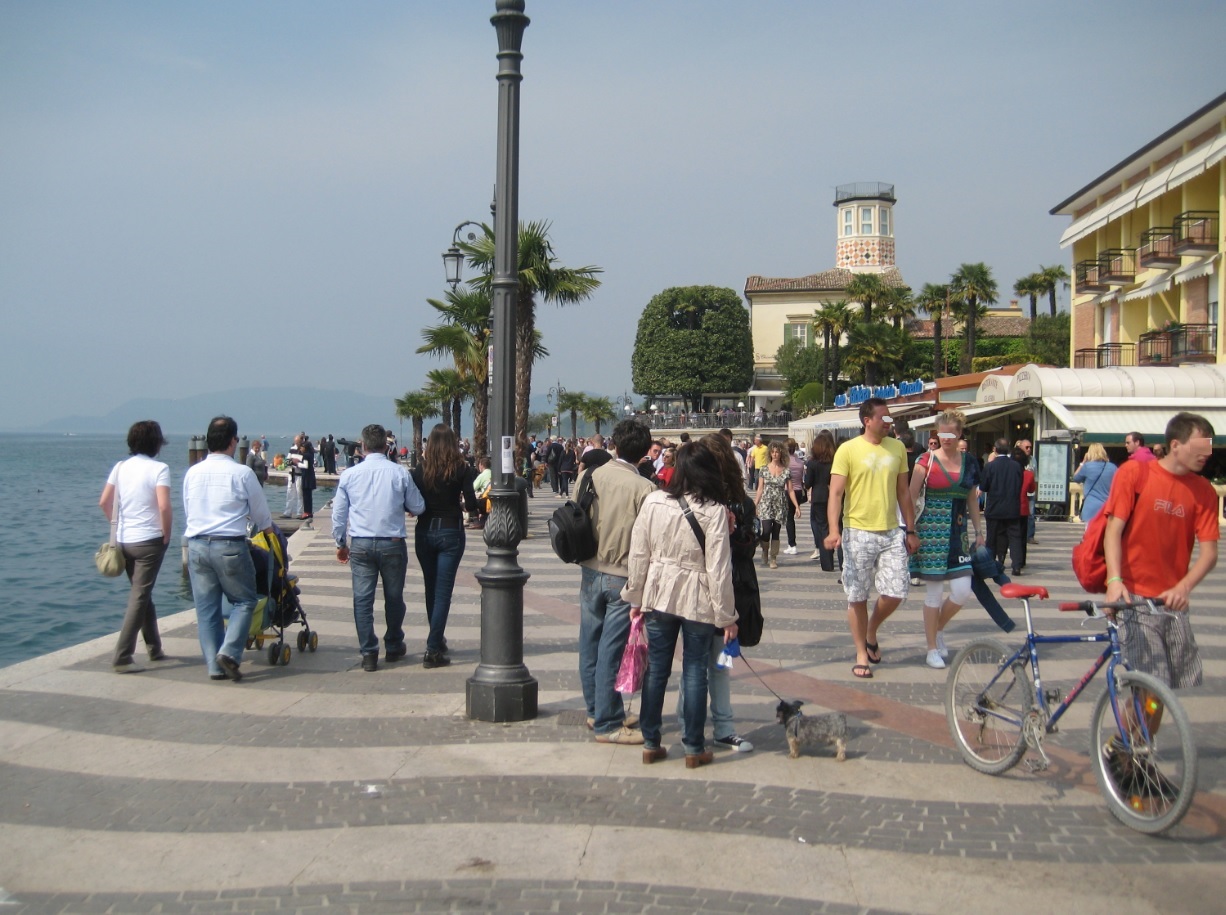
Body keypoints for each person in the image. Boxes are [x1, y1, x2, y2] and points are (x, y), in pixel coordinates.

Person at [624, 439, 739, 768]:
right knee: (694, 671)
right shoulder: (715, 510)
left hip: (659, 593)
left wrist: (636, 596)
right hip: (698, 598)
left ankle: (651, 741)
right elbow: (719, 568)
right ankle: (692, 746)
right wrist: (727, 616)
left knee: (657, 669)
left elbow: (639, 552)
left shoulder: (654, 501)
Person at [1104, 413, 1218, 744]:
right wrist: (1114, 580)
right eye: (1201, 445)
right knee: (1150, 685)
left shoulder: (1203, 492)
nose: (1207, 453)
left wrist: (1184, 587)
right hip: (1134, 597)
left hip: (1171, 602)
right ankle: (1121, 750)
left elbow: (1209, 553)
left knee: (1162, 689)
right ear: (1175, 445)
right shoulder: (1135, 473)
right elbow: (1114, 531)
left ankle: (1137, 757)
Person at [674, 432, 758, 753]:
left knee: (709, 663)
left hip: (722, 590)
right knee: (707, 664)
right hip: (708, 591)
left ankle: (704, 726)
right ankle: (711, 726)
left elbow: (746, 548)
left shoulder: (738, 504)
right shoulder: (691, 502)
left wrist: (734, 532)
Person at [577, 418, 656, 745]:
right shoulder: (644, 489)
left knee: (590, 643)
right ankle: (608, 723)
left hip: (589, 568)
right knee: (612, 649)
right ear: (642, 454)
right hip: (621, 576)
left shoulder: (588, 475)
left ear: (615, 444)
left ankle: (597, 708)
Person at [824, 398, 917, 679]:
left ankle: (871, 629)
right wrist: (833, 530)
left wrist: (911, 529)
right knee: (857, 595)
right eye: (883, 418)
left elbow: (903, 492)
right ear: (867, 420)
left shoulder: (897, 447)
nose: (888, 423)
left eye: (889, 418)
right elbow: (836, 493)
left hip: (891, 531)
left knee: (896, 591)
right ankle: (861, 653)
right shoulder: (848, 450)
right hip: (858, 530)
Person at [182, 416, 275, 682]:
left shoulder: (193, 473)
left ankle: (214, 666)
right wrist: (270, 534)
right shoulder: (242, 473)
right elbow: (261, 516)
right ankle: (230, 652)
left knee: (206, 609)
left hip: (198, 544)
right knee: (245, 601)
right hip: (230, 546)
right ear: (233, 441)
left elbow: (189, 510)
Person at [332, 423, 426, 672]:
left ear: (362, 446)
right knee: (394, 597)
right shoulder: (399, 473)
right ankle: (394, 644)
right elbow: (418, 507)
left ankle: (369, 652)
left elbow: (339, 514)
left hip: (361, 543)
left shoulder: (349, 475)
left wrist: (340, 543)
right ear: (386, 446)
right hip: (392, 542)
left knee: (362, 600)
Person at [908, 410, 985, 670]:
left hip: (957, 531)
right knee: (934, 592)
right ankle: (931, 648)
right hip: (930, 530)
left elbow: (972, 498)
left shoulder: (970, 462)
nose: (946, 438)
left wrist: (978, 531)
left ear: (960, 433)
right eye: (942, 433)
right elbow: (911, 494)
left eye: (951, 433)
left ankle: (937, 629)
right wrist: (909, 530)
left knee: (963, 590)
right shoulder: (925, 460)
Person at [99, 420, 173, 673]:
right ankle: (122, 656)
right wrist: (167, 533)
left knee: (143, 594)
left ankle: (154, 648)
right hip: (150, 541)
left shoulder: (119, 468)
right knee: (139, 596)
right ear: (157, 443)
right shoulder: (159, 469)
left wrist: (116, 525)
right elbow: (164, 506)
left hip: (124, 540)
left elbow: (104, 502)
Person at [411, 424, 479, 669]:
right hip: (451, 530)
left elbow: (412, 503)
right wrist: (463, 505)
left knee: (431, 588)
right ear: (453, 444)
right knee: (443, 592)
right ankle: (433, 648)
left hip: (425, 530)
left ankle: (436, 640)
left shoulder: (420, 470)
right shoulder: (461, 468)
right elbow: (471, 504)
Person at [979, 437, 1024, 576]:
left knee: (992, 537)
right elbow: (1020, 484)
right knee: (1015, 537)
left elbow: (984, 486)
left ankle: (991, 563)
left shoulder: (990, 466)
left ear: (995, 449)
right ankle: (1016, 566)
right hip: (1012, 507)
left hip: (995, 507)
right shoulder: (1016, 466)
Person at [754, 440, 800, 570]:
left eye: (777, 452)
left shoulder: (786, 470)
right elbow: (760, 488)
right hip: (766, 502)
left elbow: (790, 490)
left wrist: (796, 505)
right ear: (770, 453)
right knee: (766, 529)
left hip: (780, 503)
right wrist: (755, 504)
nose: (775, 454)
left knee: (776, 531)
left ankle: (773, 557)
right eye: (773, 452)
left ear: (781, 454)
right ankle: (764, 550)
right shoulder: (763, 469)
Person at [805, 430, 841, 572]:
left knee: (823, 528)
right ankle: (839, 557)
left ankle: (827, 563)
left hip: (819, 497)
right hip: (834, 496)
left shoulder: (812, 463)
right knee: (836, 525)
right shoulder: (836, 461)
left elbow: (808, 483)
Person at [783, 439, 806, 555]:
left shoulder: (785, 463)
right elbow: (802, 478)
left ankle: (791, 544)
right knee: (790, 518)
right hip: (798, 491)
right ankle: (792, 544)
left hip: (788, 491)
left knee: (789, 519)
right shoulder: (800, 462)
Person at [1014, 446, 1035, 572]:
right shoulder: (1029, 474)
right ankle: (1021, 560)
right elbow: (1032, 490)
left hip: (1010, 507)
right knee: (1022, 536)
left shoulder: (1010, 472)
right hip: (1023, 507)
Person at [1016, 438, 1037, 542]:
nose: (1029, 449)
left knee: (1031, 514)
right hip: (1020, 491)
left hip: (1030, 490)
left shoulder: (1033, 459)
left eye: (1030, 447)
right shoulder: (1016, 459)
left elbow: (1035, 475)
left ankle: (1030, 536)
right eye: (1026, 447)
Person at [470, 456, 492, 529]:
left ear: (481, 465)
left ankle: (476, 521)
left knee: (472, 500)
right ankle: (483, 519)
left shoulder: (482, 475)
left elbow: (472, 488)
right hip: (493, 499)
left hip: (486, 501)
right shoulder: (493, 473)